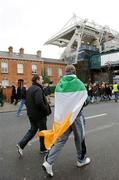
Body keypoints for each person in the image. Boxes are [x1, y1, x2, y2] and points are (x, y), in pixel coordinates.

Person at [41, 65, 91, 177]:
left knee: (60, 140)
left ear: (65, 72)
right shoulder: (79, 83)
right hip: (76, 117)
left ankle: (48, 162)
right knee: (80, 138)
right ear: (74, 72)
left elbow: (59, 102)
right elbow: (86, 100)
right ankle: (81, 160)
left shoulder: (59, 84)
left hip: (64, 118)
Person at [16, 74, 51, 156]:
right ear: (37, 80)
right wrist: (46, 109)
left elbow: (27, 102)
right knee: (43, 132)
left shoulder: (30, 88)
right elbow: (39, 102)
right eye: (41, 79)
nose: (42, 81)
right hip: (39, 115)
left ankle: (21, 145)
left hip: (31, 114)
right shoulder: (38, 89)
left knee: (33, 130)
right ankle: (43, 149)